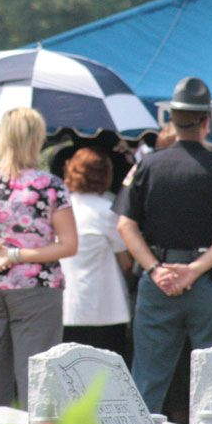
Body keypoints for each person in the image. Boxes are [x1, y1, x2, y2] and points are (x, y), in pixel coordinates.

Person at [114, 76, 212, 414]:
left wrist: (154, 269)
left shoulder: (146, 166)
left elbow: (124, 225)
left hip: (158, 281)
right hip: (208, 281)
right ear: (206, 122)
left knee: (148, 378)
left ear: (171, 120)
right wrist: (194, 270)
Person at [0, 107, 77, 409]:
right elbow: (68, 245)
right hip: (36, 288)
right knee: (37, 377)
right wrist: (14, 255)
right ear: (37, 140)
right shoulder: (49, 185)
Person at [59, 147, 131, 360]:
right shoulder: (108, 210)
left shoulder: (59, 208)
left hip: (65, 305)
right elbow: (125, 261)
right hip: (105, 308)